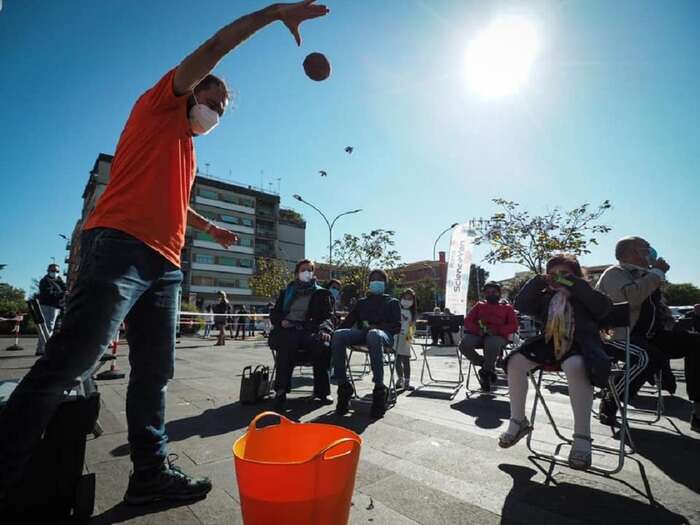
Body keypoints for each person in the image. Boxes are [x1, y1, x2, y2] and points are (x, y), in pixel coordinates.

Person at [0, 1, 329, 507]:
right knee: (71, 361)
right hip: (120, 245)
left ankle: (150, 474)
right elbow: (216, 46)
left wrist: (211, 227)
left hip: (166, 265)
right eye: (211, 98)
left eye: (222, 109)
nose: (215, 111)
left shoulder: (187, 149)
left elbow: (176, 199)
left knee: (155, 374)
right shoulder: (160, 103)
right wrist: (274, 14)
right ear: (190, 89)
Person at [499, 255, 612, 470]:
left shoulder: (586, 295)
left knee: (575, 365)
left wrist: (573, 285)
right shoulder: (545, 297)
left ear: (576, 275)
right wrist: (539, 281)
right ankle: (518, 421)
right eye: (553, 274)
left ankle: (582, 437)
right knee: (515, 361)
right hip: (549, 344)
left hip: (582, 344)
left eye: (565, 274)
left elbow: (603, 308)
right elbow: (521, 304)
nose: (558, 279)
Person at [596, 236, 700, 432]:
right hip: (617, 336)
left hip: (650, 335)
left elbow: (658, 310)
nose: (651, 251)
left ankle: (698, 411)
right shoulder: (614, 273)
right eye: (646, 247)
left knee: (695, 342)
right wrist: (657, 272)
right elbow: (632, 299)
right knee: (647, 356)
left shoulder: (646, 275)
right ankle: (611, 399)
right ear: (631, 253)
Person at [332, 269, 401, 418]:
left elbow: (396, 326)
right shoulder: (362, 302)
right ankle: (343, 387)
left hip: (383, 335)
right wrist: (332, 333)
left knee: (373, 334)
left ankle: (379, 389)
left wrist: (378, 327)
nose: (376, 282)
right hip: (362, 334)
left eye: (379, 279)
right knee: (338, 336)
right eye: (373, 279)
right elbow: (349, 322)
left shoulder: (392, 302)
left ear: (385, 283)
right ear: (369, 284)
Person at [269, 260, 334, 408]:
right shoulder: (286, 292)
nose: (307, 273)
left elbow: (327, 317)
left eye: (310, 270)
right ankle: (281, 390)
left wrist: (325, 330)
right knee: (287, 342)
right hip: (288, 329)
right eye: (303, 270)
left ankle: (322, 392)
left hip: (310, 330)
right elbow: (275, 314)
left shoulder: (321, 293)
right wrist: (281, 321)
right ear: (297, 273)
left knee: (323, 345)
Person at [459, 282, 519, 392]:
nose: (491, 294)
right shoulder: (479, 305)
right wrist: (478, 329)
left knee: (492, 343)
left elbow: (514, 326)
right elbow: (467, 321)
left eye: (494, 292)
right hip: (479, 334)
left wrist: (497, 330)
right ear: (484, 294)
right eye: (488, 292)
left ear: (499, 293)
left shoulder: (507, 308)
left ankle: (485, 374)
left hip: (498, 336)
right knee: (464, 345)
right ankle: (486, 365)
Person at [35, 263, 67, 356]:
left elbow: (64, 288)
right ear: (48, 271)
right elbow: (48, 294)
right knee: (48, 326)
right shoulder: (45, 281)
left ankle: (42, 348)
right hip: (48, 306)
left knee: (52, 327)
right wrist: (61, 294)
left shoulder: (58, 280)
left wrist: (65, 291)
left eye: (57, 271)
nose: (55, 273)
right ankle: (43, 348)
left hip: (56, 306)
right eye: (53, 271)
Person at [396, 289, 418, 391]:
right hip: (396, 337)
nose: (407, 300)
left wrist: (408, 339)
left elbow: (412, 327)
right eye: (405, 298)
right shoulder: (396, 309)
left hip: (406, 337)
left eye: (410, 299)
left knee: (406, 360)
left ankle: (407, 382)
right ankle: (399, 379)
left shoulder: (412, 313)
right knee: (397, 360)